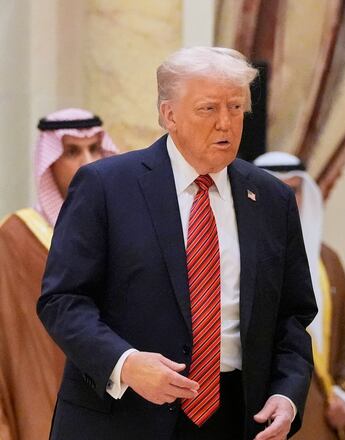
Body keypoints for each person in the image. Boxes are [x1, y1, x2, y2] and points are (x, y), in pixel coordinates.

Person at [37, 47, 317, 440]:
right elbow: (62, 300)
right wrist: (126, 363)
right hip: (125, 415)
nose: (226, 124)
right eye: (208, 109)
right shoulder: (106, 186)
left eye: (236, 108)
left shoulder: (271, 199)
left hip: (237, 417)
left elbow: (292, 316)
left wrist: (287, 394)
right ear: (169, 115)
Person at [0, 108, 117, 440]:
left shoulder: (124, 232)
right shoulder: (17, 237)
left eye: (95, 148)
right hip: (39, 395)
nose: (87, 161)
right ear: (48, 162)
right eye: (71, 152)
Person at [255, 152, 345, 440]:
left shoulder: (327, 261)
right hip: (256, 405)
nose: (283, 201)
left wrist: (344, 396)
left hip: (317, 407)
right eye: (271, 190)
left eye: (291, 191)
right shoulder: (231, 255)